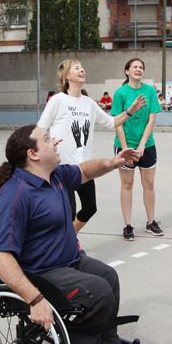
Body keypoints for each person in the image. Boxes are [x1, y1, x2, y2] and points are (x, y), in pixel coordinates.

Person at [0, 124, 151, 344]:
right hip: (41, 274)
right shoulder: (15, 195)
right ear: (33, 154)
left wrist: (113, 162)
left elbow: (85, 170)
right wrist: (35, 300)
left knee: (109, 277)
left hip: (69, 262)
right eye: (47, 138)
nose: (56, 140)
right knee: (97, 291)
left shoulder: (56, 176)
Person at [38, 60, 146, 235]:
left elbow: (111, 122)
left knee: (90, 208)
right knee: (68, 212)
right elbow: (39, 130)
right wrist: (46, 146)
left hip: (85, 168)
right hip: (62, 168)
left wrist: (130, 111)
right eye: (76, 68)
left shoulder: (88, 103)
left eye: (82, 67)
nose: (82, 70)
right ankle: (66, 245)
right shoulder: (57, 100)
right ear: (67, 76)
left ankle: (70, 238)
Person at [112, 58, 164, 240]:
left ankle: (151, 221)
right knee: (127, 184)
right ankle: (127, 225)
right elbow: (117, 123)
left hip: (147, 146)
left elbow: (152, 119)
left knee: (149, 184)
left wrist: (142, 144)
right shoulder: (120, 93)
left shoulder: (149, 91)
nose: (138, 69)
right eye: (134, 67)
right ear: (127, 71)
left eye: (141, 67)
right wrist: (126, 149)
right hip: (125, 145)